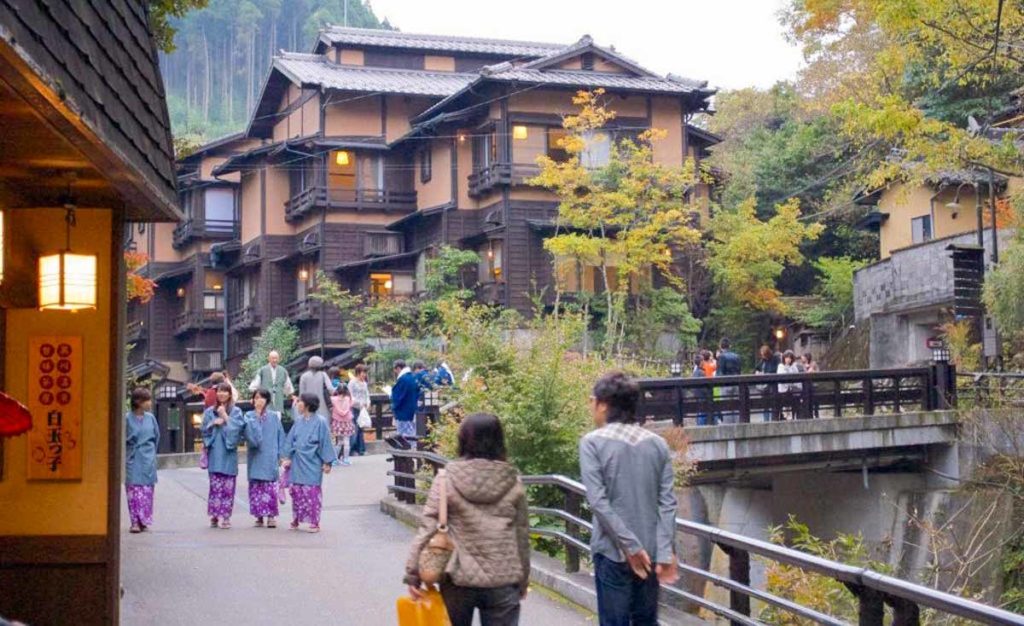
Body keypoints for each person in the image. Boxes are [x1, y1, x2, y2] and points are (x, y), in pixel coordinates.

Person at [404, 413, 530, 626]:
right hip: (503, 578)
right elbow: (521, 535)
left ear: (463, 440)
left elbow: (428, 528)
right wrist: (523, 578)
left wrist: (413, 573)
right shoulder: (513, 481)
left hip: (457, 579)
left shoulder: (445, 479)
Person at [580, 371, 678, 625]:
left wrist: (629, 547)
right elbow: (667, 502)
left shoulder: (592, 443)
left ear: (604, 404)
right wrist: (665, 551)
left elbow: (598, 501)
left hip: (612, 551)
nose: (591, 406)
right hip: (652, 552)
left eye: (592, 401)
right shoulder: (657, 444)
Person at [282, 393, 337, 533]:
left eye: (300, 401)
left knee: (311, 492)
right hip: (298, 461)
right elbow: (290, 440)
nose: (297, 404)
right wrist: (286, 457)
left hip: (312, 461)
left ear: (307, 404)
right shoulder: (298, 421)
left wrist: (327, 462)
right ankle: (296, 518)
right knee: (297, 491)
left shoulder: (320, 421)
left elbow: (325, 442)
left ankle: (314, 521)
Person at [201, 382, 244, 529]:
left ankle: (226, 516)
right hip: (215, 452)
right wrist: (213, 423)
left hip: (229, 453)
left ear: (230, 394)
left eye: (225, 391)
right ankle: (214, 515)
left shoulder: (236, 411)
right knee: (215, 486)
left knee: (228, 486)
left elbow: (238, 430)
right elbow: (204, 432)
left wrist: (225, 417)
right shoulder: (208, 412)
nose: (222, 394)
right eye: (219, 391)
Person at [242, 388, 286, 528]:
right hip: (255, 456)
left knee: (270, 487)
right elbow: (252, 438)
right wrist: (257, 416)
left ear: (267, 400)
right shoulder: (248, 416)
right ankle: (259, 516)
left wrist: (281, 455)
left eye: (262, 398)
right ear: (253, 400)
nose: (259, 400)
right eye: (256, 398)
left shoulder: (274, 417)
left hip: (270, 455)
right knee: (256, 487)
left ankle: (271, 516)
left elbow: (281, 436)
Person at [125, 387, 160, 534]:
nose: (149, 403)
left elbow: (156, 437)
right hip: (133, 457)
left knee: (146, 491)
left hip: (147, 457)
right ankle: (134, 522)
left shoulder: (151, 418)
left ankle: (144, 520)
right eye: (147, 400)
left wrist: (151, 454)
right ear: (138, 402)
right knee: (133, 491)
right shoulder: (126, 418)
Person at [298, 355, 334, 420]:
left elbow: (301, 394)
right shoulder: (323, 375)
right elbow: (331, 389)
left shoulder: (304, 376)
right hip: (323, 406)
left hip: (308, 406)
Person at [390, 359, 419, 439]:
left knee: (404, 436)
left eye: (395, 370)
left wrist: (393, 404)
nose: (395, 372)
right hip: (412, 410)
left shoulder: (403, 379)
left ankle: (407, 450)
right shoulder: (412, 377)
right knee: (412, 433)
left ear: (398, 368)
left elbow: (398, 397)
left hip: (403, 412)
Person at [715, 338, 742, 424]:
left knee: (727, 408)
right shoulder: (736, 356)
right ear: (729, 346)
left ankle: (728, 428)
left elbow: (719, 373)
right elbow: (739, 371)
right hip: (737, 384)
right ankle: (737, 426)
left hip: (726, 385)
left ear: (720, 346)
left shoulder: (721, 357)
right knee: (736, 406)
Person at [348, 364, 371, 456]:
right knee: (355, 428)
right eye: (363, 372)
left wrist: (368, 403)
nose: (364, 374)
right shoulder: (352, 382)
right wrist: (360, 404)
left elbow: (367, 395)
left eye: (365, 372)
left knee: (361, 428)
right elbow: (350, 395)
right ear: (358, 372)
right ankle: (352, 449)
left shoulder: (364, 383)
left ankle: (361, 449)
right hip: (354, 407)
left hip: (363, 409)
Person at [330, 383, 355, 466]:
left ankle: (335, 459)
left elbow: (332, 394)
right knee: (346, 441)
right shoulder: (348, 399)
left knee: (339, 442)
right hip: (347, 422)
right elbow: (352, 402)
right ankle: (346, 459)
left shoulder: (333, 399)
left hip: (337, 422)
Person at [755, 345, 780, 422]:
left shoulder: (775, 359)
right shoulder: (763, 360)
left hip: (772, 385)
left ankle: (774, 419)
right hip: (764, 385)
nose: (763, 356)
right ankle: (765, 420)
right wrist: (757, 372)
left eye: (764, 355)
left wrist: (765, 373)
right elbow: (757, 367)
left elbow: (776, 369)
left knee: (773, 403)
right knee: (765, 403)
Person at [777, 350, 802, 420]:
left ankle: (795, 415)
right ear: (784, 358)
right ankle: (784, 415)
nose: (788, 359)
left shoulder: (794, 366)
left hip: (792, 389)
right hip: (783, 390)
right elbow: (781, 376)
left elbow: (796, 376)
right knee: (784, 400)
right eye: (787, 357)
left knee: (796, 398)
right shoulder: (780, 366)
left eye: (790, 358)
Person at [690, 354, 712, 426]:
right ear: (701, 362)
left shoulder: (695, 373)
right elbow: (704, 386)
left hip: (696, 394)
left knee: (699, 412)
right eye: (703, 361)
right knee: (702, 413)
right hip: (702, 395)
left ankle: (699, 425)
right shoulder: (701, 372)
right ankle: (701, 426)